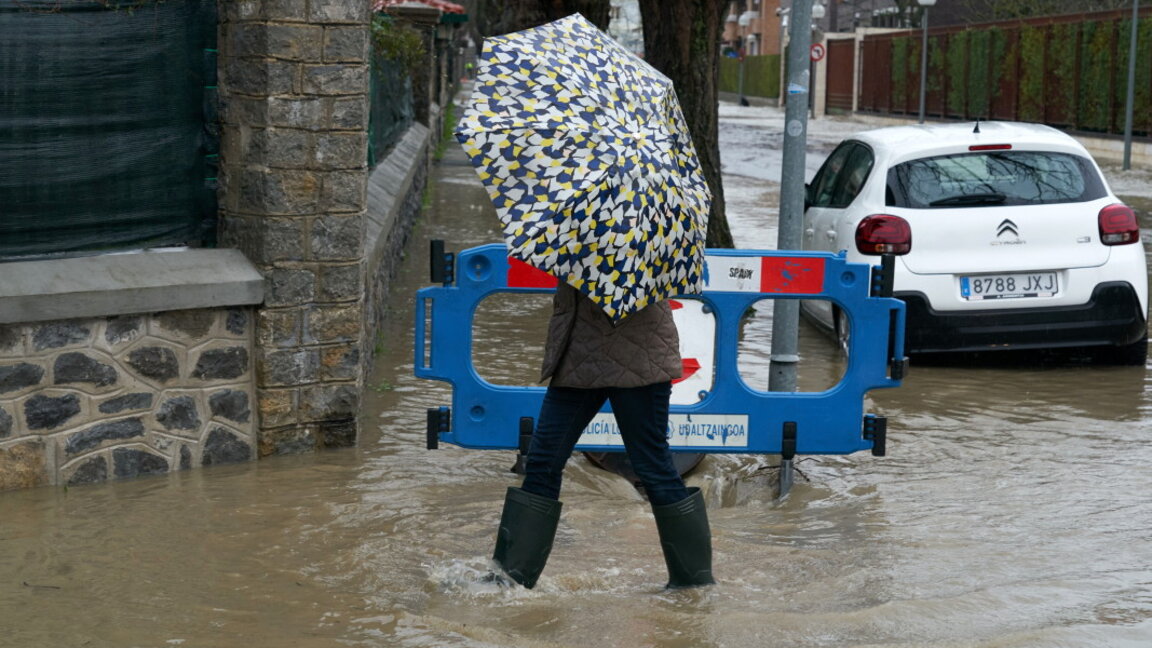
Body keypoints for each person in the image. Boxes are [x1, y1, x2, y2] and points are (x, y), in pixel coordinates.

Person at [489, 281, 715, 589]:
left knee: (653, 467)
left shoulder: (640, 240)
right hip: (580, 355)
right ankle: (509, 581)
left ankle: (694, 584)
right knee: (544, 459)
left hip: (637, 358)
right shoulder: (579, 236)